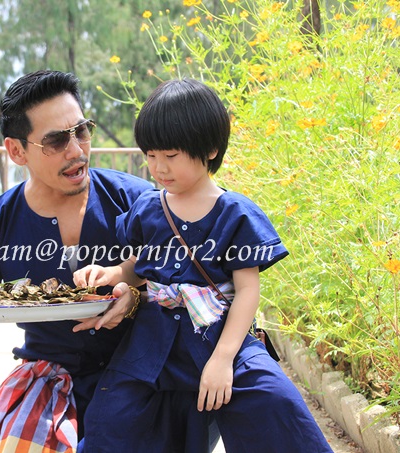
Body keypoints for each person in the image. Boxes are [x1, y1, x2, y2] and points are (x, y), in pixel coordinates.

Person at [74, 78, 333, 452]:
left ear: (210, 149)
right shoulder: (148, 208)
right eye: (151, 155)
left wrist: (224, 359)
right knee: (112, 417)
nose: (158, 167)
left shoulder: (236, 213)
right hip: (152, 342)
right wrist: (112, 273)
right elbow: (138, 266)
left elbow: (247, 291)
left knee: (275, 399)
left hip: (218, 335)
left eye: (171, 155)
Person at [0, 70, 155, 452]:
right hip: (48, 381)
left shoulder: (135, 200)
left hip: (141, 373)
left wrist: (134, 297)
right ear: (17, 151)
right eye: (56, 141)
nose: (76, 151)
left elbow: (186, 282)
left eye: (81, 131)